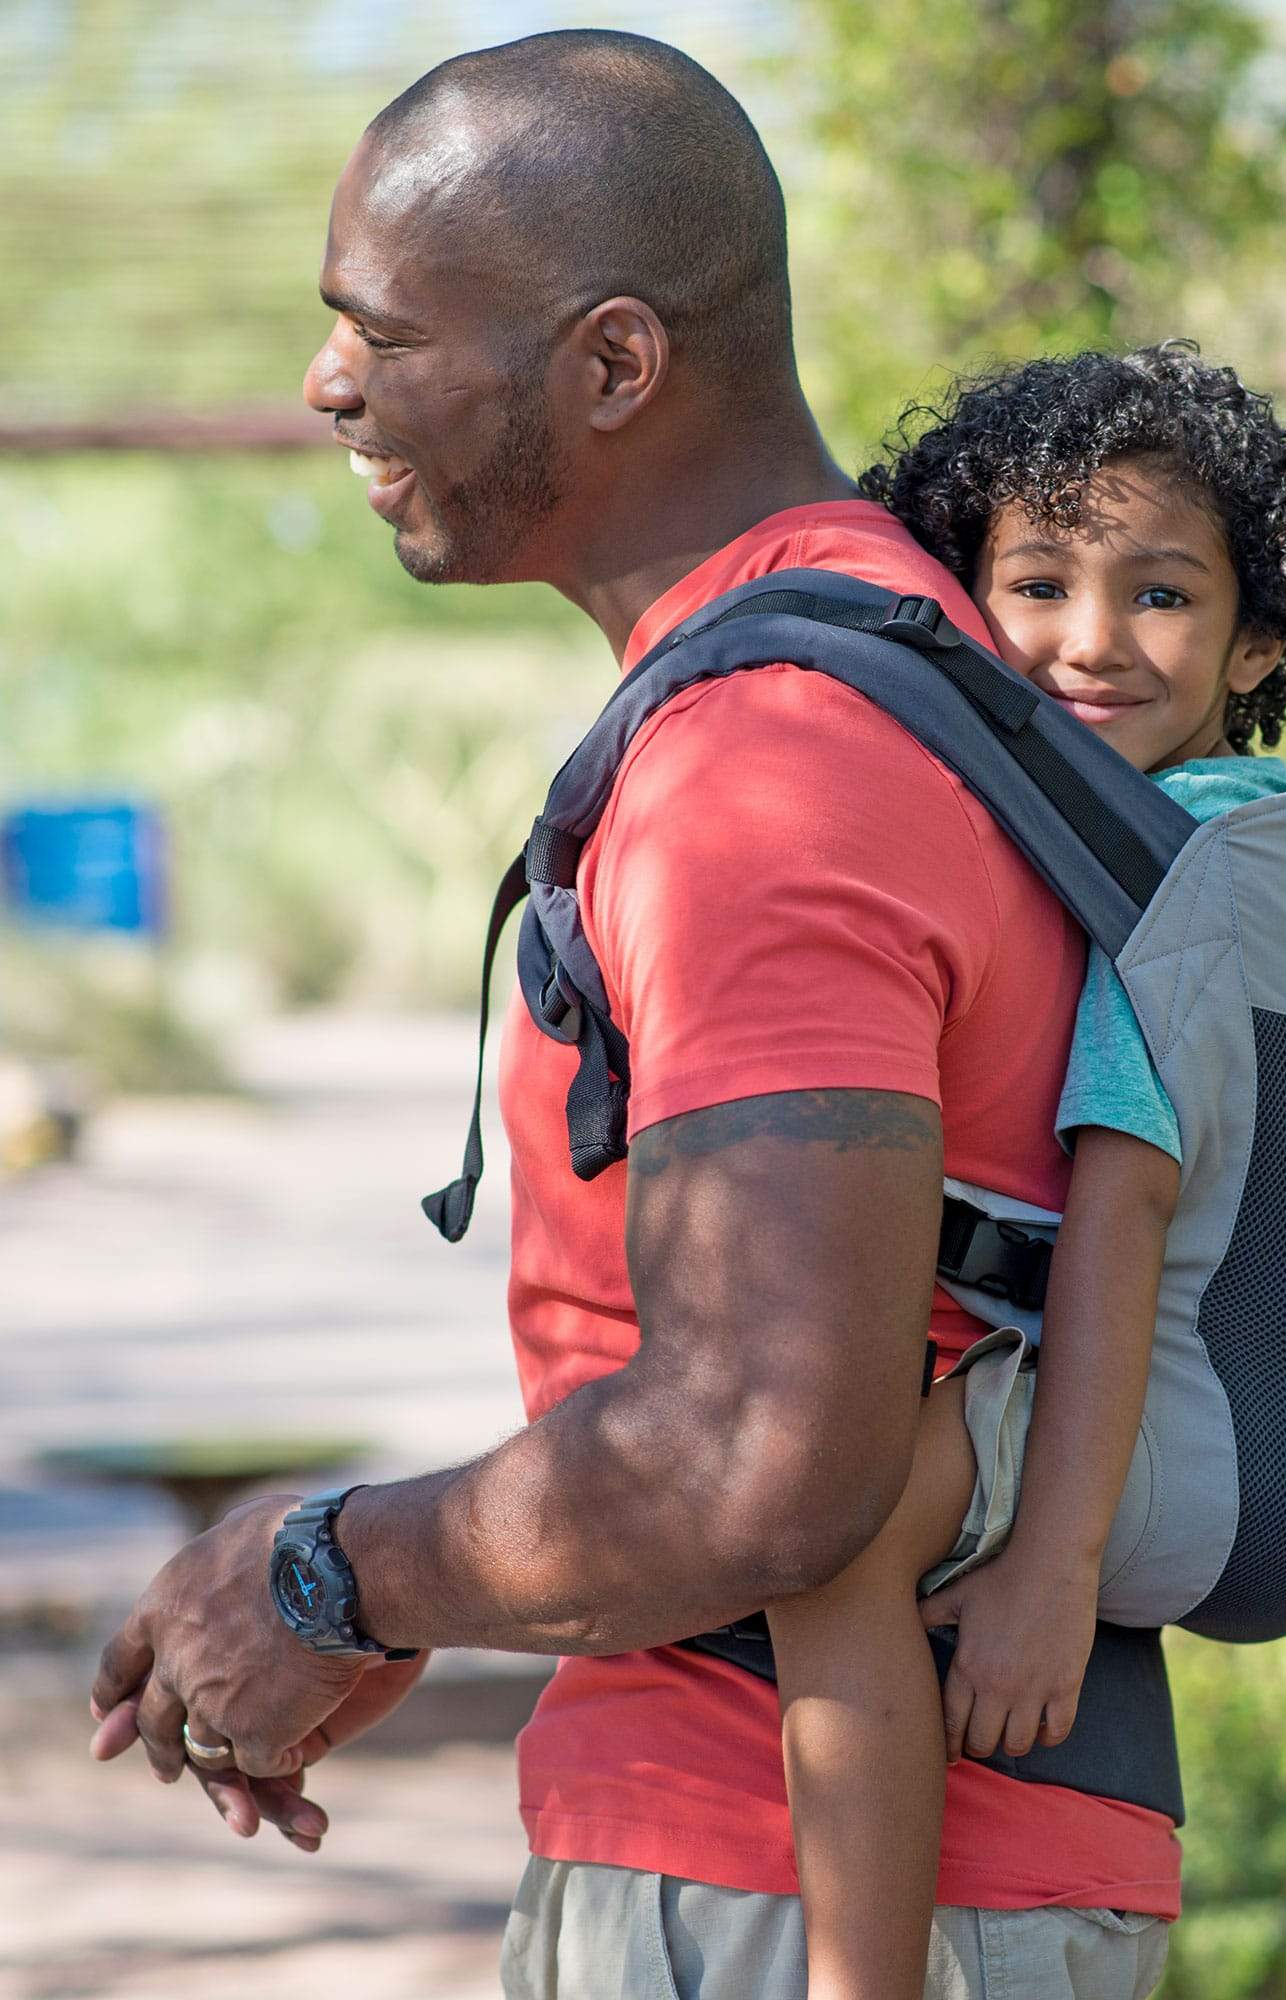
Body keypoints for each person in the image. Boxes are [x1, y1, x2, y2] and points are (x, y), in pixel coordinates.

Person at [84, 31, 1184, 1998]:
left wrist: (332, 1569)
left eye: (383, 330)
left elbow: (765, 1453)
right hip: (869, 1859)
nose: (331, 382)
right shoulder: (894, 660)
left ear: (612, 363)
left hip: (782, 1886)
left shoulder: (767, 766)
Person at [761, 343, 1286, 2000]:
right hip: (1236, 1423)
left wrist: (1052, 1571)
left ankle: (857, 1976)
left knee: (829, 1527)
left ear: (1255, 639)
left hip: (1160, 1433)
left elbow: (1122, 1212)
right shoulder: (1263, 840)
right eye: (1036, 582)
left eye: (1159, 594)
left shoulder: (1171, 877)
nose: (1091, 640)